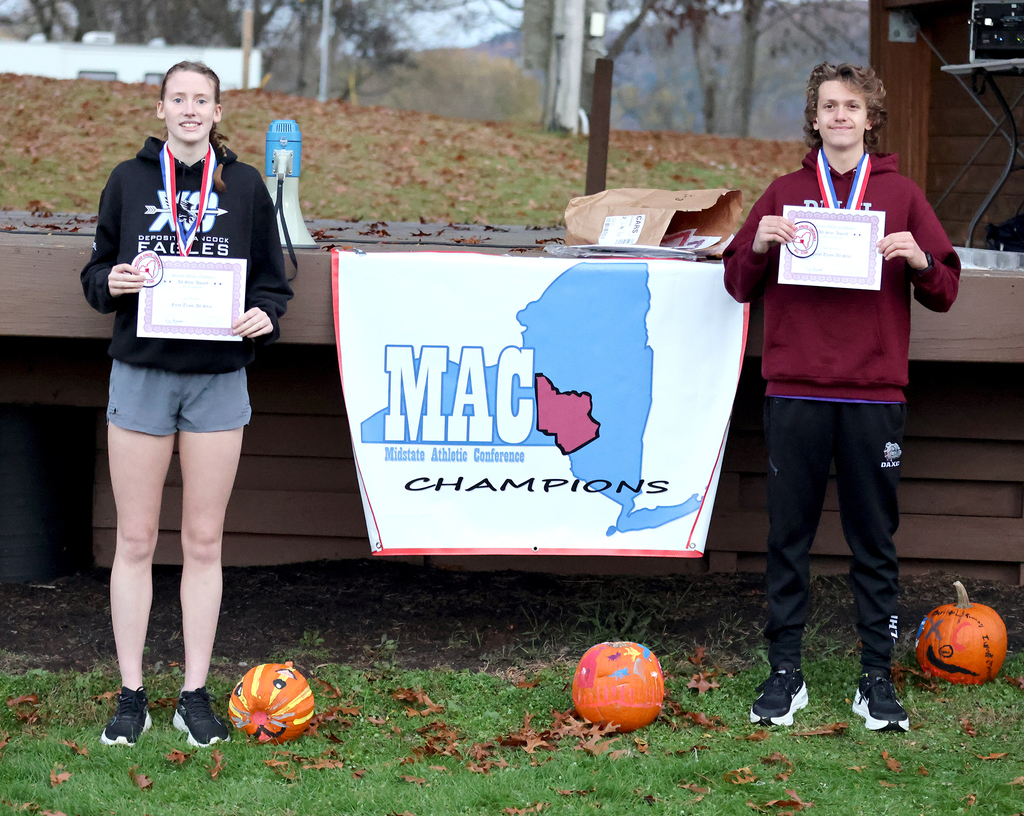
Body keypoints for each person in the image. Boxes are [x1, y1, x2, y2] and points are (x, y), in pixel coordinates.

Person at [722, 63, 960, 732]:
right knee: (787, 537)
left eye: (852, 106)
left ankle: (875, 678)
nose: (840, 116)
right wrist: (758, 244)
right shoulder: (785, 193)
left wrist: (919, 259)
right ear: (815, 117)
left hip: (873, 392)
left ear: (870, 118)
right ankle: (785, 673)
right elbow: (736, 283)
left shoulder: (902, 196)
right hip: (795, 387)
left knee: (874, 542)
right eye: (829, 106)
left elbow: (946, 290)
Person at [81, 61, 293, 746]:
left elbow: (271, 283)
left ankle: (194, 694)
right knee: (136, 539)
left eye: (202, 99)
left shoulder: (246, 185)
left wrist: (264, 314)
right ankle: (132, 695)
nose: (190, 109)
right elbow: (95, 273)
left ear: (218, 111)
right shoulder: (128, 179)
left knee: (203, 541)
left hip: (217, 378)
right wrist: (111, 281)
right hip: (142, 373)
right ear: (161, 107)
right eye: (179, 98)